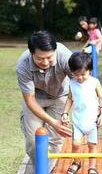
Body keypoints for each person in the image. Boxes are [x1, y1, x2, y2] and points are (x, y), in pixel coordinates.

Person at [16, 31, 72, 174]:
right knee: (33, 142)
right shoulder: (23, 65)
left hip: (60, 96)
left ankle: (43, 171)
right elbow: (29, 99)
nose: (45, 62)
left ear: (55, 51)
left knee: (55, 140)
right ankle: (42, 169)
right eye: (40, 59)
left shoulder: (66, 57)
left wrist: (66, 112)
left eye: (49, 57)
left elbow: (80, 85)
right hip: (36, 99)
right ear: (31, 53)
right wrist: (52, 122)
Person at [61, 52, 102, 174]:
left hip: (92, 121)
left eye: (83, 74)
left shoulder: (94, 82)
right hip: (78, 121)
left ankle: (92, 167)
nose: (80, 77)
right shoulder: (72, 83)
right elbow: (70, 99)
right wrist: (64, 113)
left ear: (90, 70)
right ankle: (76, 162)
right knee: (76, 144)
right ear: (72, 72)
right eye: (76, 74)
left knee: (92, 145)